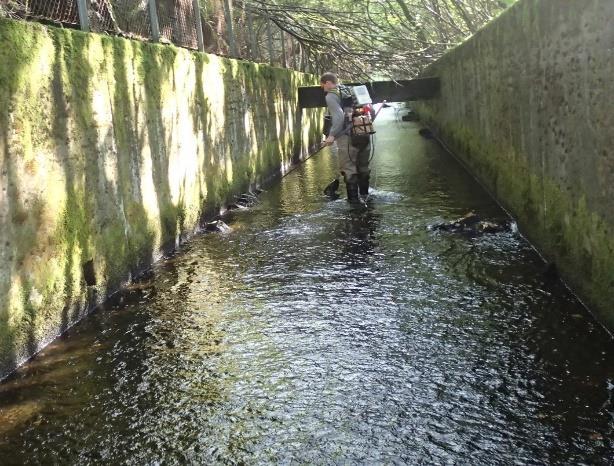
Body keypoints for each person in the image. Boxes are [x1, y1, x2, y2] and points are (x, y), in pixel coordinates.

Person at [320, 72, 372, 201]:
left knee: (349, 170)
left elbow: (339, 116)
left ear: (327, 83)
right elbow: (371, 110)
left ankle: (354, 205)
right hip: (364, 134)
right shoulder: (352, 90)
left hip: (347, 137)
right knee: (363, 167)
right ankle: (365, 196)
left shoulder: (331, 95)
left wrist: (331, 135)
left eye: (322, 85)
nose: (323, 88)